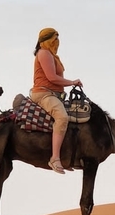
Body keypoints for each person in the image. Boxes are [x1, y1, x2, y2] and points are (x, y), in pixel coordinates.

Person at [31, 28, 82, 174]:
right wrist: (72, 82)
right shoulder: (44, 53)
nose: (57, 42)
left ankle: (67, 156)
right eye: (55, 39)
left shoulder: (52, 55)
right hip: (44, 94)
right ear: (47, 41)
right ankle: (54, 158)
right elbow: (52, 77)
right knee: (62, 117)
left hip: (55, 95)